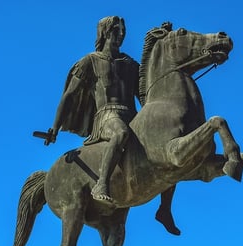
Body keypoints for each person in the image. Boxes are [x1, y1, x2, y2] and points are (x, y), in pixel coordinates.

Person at [45, 16, 180, 234]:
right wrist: (55, 127)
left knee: (166, 146)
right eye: (116, 30)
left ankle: (164, 209)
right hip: (107, 117)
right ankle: (101, 184)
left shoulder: (130, 64)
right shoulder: (90, 62)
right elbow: (69, 96)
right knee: (120, 133)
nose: (121, 34)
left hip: (133, 116)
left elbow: (145, 94)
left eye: (123, 30)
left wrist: (161, 43)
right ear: (105, 32)